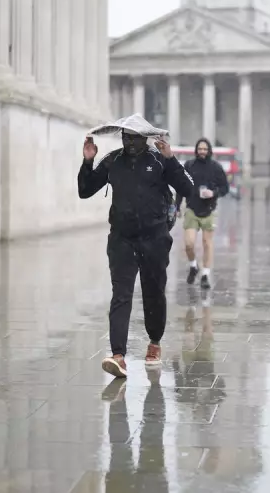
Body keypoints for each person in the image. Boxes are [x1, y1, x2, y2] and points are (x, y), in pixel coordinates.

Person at [78, 128, 194, 378]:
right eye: (126, 137)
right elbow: (85, 190)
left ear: (145, 138)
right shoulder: (112, 161)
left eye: (134, 138)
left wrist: (171, 159)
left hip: (154, 238)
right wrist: (88, 161)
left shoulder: (159, 159)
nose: (130, 143)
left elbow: (188, 187)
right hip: (122, 239)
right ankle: (118, 355)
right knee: (121, 294)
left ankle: (154, 343)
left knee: (153, 293)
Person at [176, 138, 229, 289]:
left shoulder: (216, 167)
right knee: (189, 243)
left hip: (209, 210)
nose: (202, 152)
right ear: (196, 150)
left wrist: (213, 193)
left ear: (209, 151)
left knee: (207, 243)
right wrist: (177, 206)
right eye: (200, 149)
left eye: (205, 149)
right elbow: (181, 186)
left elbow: (225, 188)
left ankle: (205, 274)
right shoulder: (189, 166)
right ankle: (193, 266)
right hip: (192, 208)